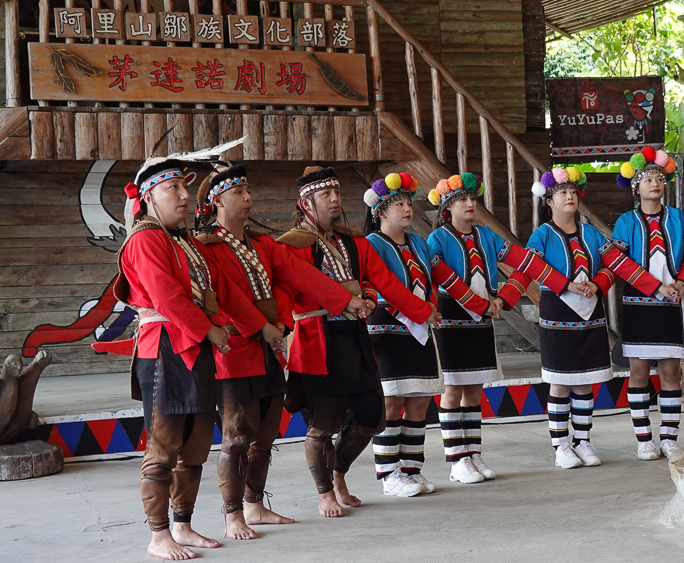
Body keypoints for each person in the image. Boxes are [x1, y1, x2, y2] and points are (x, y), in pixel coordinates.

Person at [114, 155, 283, 560]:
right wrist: (209, 330)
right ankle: (158, 535)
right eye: (172, 188)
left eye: (184, 187)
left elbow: (223, 291)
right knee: (164, 448)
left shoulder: (186, 241)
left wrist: (261, 326)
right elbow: (167, 296)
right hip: (163, 350)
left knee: (194, 447)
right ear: (148, 196)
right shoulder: (144, 239)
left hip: (195, 350)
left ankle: (182, 525)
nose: (184, 196)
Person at [193, 164, 367, 538]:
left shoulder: (263, 244)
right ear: (217, 201)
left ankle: (255, 506)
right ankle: (233, 515)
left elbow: (299, 278)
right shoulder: (206, 246)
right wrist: (263, 327)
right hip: (233, 351)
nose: (247, 198)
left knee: (265, 437)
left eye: (248, 191)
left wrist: (340, 302)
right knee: (236, 438)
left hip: (270, 349)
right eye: (238, 193)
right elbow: (226, 298)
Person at [275, 166, 440, 518]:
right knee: (322, 424)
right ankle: (325, 493)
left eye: (336, 193)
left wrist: (418, 309)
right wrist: (277, 329)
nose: (335, 199)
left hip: (355, 338)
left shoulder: (354, 242)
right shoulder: (291, 245)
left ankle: (338, 473)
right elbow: (291, 291)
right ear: (306, 203)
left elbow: (384, 282)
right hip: (317, 339)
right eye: (325, 194)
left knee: (370, 416)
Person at [528, 167, 676, 469]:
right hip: (557, 314)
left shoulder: (591, 233)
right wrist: (567, 284)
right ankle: (561, 446)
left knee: (586, 381)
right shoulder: (542, 234)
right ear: (549, 201)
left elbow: (615, 264)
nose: (569, 196)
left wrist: (599, 283)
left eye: (572, 191)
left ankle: (582, 441)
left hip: (591, 312)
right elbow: (532, 266)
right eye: (562, 192)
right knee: (560, 382)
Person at [427, 172, 570, 482]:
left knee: (474, 391)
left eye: (472, 198)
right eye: (462, 199)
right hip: (451, 321)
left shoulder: (486, 236)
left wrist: (506, 299)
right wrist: (483, 305)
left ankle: (474, 454)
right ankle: (457, 460)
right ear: (446, 207)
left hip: (482, 321)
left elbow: (525, 263)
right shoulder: (437, 238)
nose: (469, 203)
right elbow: (442, 279)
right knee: (452, 391)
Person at [362, 172, 492, 497]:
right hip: (388, 330)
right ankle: (389, 473)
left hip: (419, 331)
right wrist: (420, 311)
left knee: (419, 402)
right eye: (399, 204)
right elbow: (383, 287)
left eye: (408, 203)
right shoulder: (371, 245)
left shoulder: (419, 242)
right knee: (392, 402)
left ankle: (411, 469)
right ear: (380, 211)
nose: (407, 209)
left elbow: (440, 277)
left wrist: (436, 304)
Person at [611, 148, 684, 461]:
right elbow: (618, 262)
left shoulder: (679, 218)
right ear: (636, 187)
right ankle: (644, 440)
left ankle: (669, 439)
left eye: (659, 178)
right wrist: (656, 286)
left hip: (673, 303)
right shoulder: (626, 221)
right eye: (647, 179)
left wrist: (682, 283)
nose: (654, 183)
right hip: (639, 304)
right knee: (638, 373)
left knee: (671, 373)